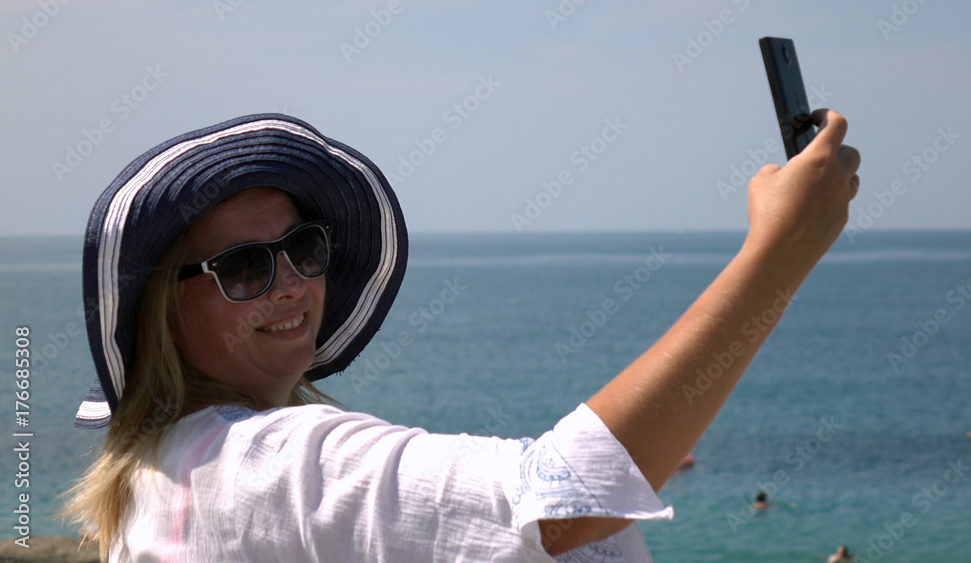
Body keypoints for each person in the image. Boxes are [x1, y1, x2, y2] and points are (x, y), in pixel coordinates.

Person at [63, 110, 859, 562]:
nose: (294, 284)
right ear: (164, 312)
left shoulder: (165, 468)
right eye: (243, 268)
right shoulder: (265, 463)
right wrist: (776, 255)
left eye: (303, 248)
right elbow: (562, 496)